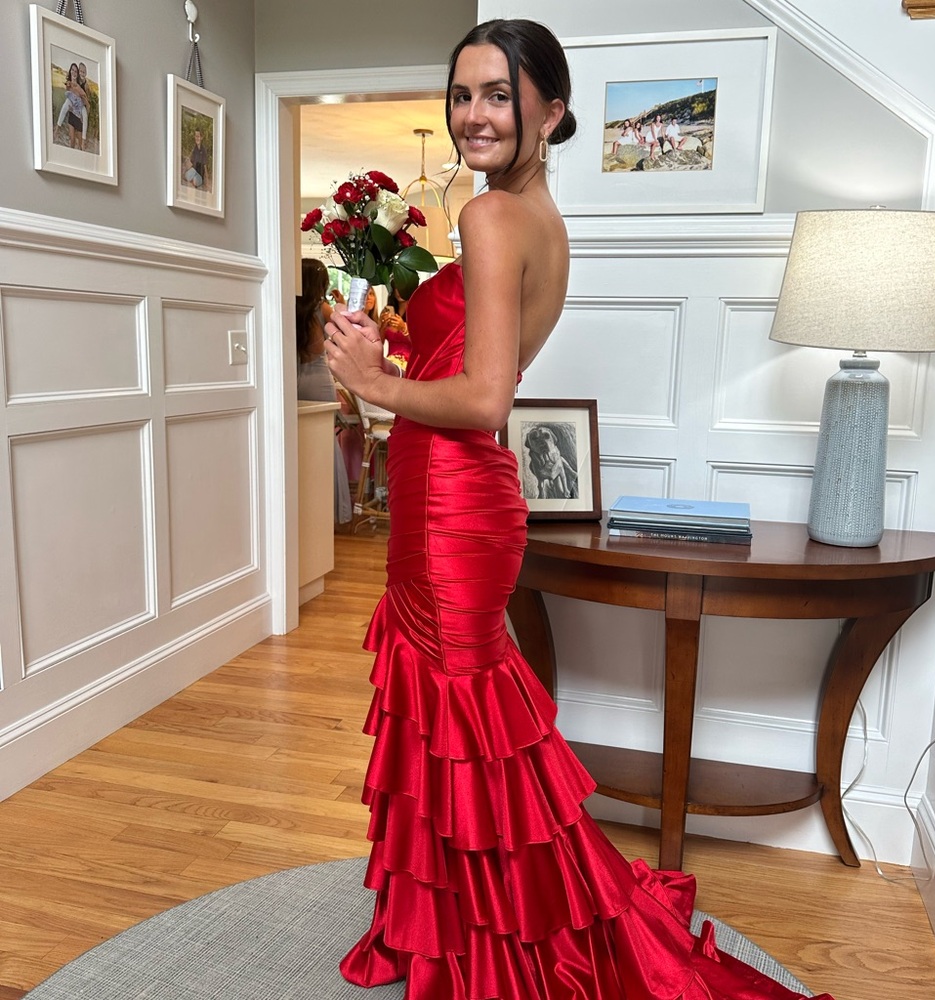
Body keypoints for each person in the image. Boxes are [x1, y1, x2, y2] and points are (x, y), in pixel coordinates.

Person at [324, 17, 834, 1000]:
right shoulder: (537, 220)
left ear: (550, 112)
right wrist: (388, 363)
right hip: (461, 499)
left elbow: (481, 399)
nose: (474, 114)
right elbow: (471, 369)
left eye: (498, 96)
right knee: (460, 726)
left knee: (462, 725)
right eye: (463, 93)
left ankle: (502, 937)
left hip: (453, 507)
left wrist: (375, 384)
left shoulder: (489, 220)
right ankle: (461, 917)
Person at [295, 257, 352, 525]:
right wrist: (342, 303)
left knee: (301, 444)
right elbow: (349, 329)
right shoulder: (322, 308)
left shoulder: (292, 308)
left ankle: (304, 510)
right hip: (318, 381)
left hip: (295, 380)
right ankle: (330, 511)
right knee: (325, 445)